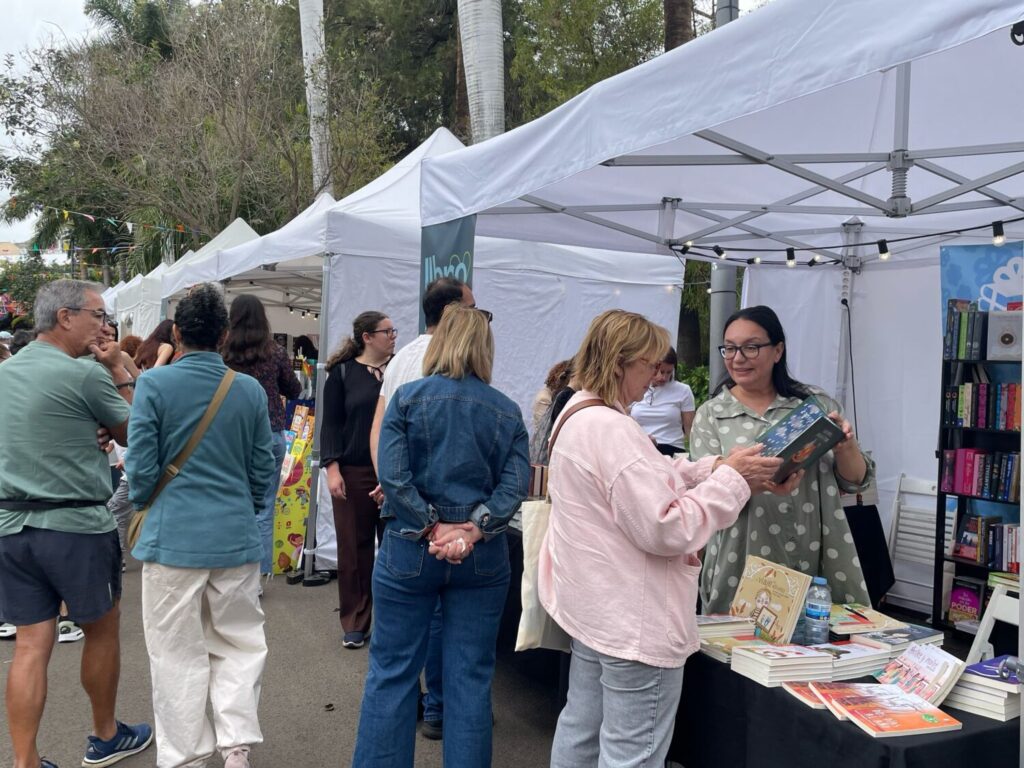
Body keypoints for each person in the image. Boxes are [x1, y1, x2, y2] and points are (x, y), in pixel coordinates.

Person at [540, 309, 785, 767]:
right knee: (632, 753)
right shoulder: (610, 427)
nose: (654, 378)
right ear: (620, 362)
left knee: (582, 731)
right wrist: (732, 482)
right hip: (633, 617)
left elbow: (648, 472)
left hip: (596, 608)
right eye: (647, 366)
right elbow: (668, 527)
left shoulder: (578, 410)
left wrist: (714, 468)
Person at [352, 303, 529, 768]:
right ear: (484, 347)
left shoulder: (407, 398)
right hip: (481, 558)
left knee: (392, 674)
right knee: (470, 680)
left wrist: (430, 523)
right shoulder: (508, 412)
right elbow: (515, 485)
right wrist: (476, 528)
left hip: (410, 548)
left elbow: (391, 474)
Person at [0, 279, 152, 768]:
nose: (104, 325)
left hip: (11, 524)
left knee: (31, 644)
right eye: (97, 315)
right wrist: (118, 371)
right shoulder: (85, 373)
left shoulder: (6, 372)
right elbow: (137, 432)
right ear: (65, 317)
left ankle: (25, 761)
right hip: (76, 524)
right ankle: (105, 737)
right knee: (102, 631)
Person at [127, 283, 275, 768]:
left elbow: (142, 470)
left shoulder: (153, 384)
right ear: (224, 333)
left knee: (175, 654)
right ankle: (235, 745)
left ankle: (188, 757)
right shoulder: (248, 389)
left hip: (172, 538)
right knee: (238, 643)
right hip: (234, 536)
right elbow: (261, 470)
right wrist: (247, 504)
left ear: (175, 332)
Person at [689, 305, 874, 614]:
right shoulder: (712, 414)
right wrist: (751, 477)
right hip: (741, 554)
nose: (737, 358)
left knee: (817, 647)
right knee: (739, 650)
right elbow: (707, 492)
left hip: (816, 548)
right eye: (730, 348)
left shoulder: (814, 405)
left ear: (777, 351)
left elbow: (856, 481)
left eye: (750, 347)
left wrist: (846, 447)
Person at [367, 276, 477, 740]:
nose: (478, 318)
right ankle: (438, 707)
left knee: (397, 640)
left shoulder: (400, 359)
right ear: (453, 313)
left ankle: (419, 708)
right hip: (444, 507)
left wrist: (390, 483)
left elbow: (380, 429)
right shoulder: (450, 361)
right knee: (437, 612)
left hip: (402, 505)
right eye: (473, 309)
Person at [320, 311, 396, 649]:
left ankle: (393, 621)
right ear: (367, 336)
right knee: (354, 549)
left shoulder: (399, 369)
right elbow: (331, 424)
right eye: (387, 331)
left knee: (395, 548)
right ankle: (355, 620)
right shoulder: (343, 374)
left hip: (394, 472)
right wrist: (332, 468)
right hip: (353, 471)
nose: (393, 335)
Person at [221, 294, 302, 578]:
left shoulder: (223, 353)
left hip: (231, 435)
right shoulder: (275, 352)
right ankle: (258, 574)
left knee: (232, 501)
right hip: (270, 431)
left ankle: (232, 568)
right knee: (265, 506)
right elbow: (295, 391)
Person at [629, 346, 696, 455]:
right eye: (660, 371)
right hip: (641, 448)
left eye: (669, 372)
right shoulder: (636, 388)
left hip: (672, 448)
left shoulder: (683, 390)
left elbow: (690, 430)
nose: (663, 377)